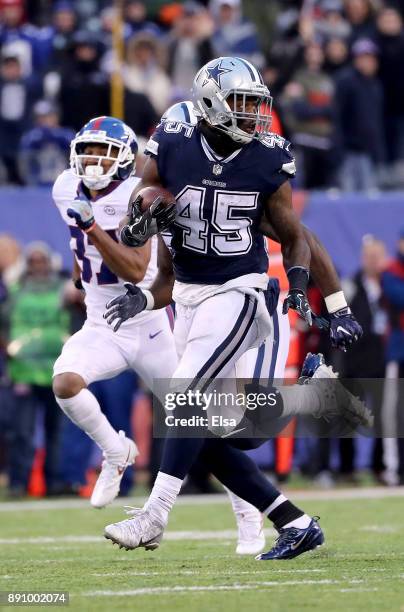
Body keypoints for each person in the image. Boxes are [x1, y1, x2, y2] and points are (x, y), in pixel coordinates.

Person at [101, 58, 368, 559]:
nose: (254, 115)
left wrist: (320, 297)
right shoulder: (175, 141)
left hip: (240, 291)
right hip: (189, 298)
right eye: (242, 104)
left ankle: (153, 517)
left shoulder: (266, 158)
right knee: (221, 433)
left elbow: (297, 237)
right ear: (208, 102)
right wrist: (140, 220)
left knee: (182, 399)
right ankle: (295, 519)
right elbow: (141, 208)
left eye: (255, 104)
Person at [3, 241, 69, 496]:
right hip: (24, 371)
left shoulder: (63, 290)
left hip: (56, 369)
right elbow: (4, 323)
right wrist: (10, 347)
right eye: (33, 261)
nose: (38, 266)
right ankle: (19, 483)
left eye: (42, 261)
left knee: (56, 432)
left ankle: (53, 482)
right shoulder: (15, 290)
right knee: (23, 432)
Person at [18, 99, 74, 186]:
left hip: (63, 182)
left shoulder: (66, 134)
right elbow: (25, 160)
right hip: (37, 182)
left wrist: (54, 134)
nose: (44, 120)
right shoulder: (30, 136)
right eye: (41, 117)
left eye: (48, 116)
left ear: (56, 116)